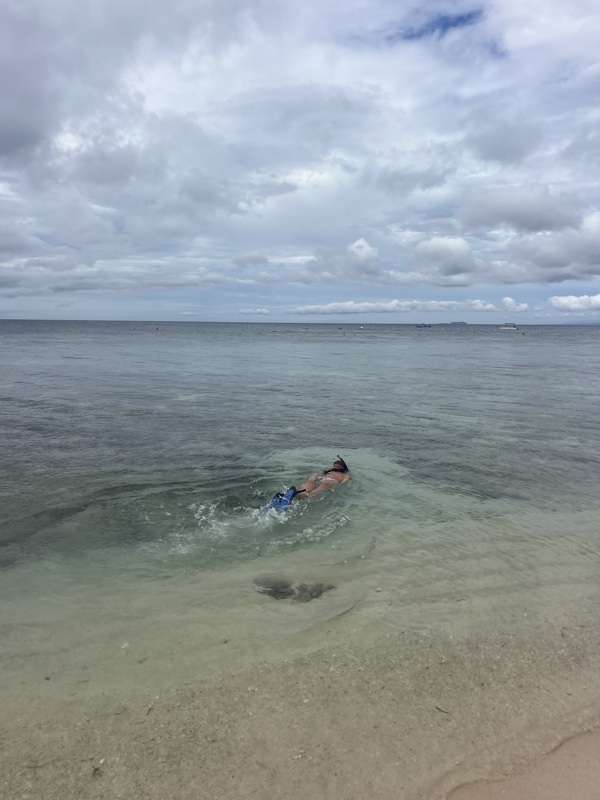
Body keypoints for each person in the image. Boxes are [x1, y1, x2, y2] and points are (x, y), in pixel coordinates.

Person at [263, 456, 351, 512]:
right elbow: (343, 484)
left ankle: (292, 492)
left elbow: (310, 476)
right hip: (329, 481)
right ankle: (295, 495)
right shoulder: (345, 475)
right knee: (311, 495)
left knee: (305, 490)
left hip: (316, 477)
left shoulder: (324, 472)